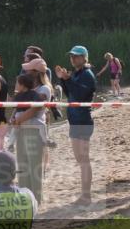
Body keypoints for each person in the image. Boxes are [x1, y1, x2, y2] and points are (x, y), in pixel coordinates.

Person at [53, 46, 98, 207]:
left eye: (76, 56)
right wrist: (63, 79)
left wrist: (68, 79)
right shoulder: (77, 73)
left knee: (84, 160)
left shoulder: (87, 74)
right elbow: (69, 94)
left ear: (84, 58)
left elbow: (80, 95)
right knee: (80, 159)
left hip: (83, 120)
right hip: (75, 119)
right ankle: (85, 194)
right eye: (71, 56)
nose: (73, 59)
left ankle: (86, 196)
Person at [7, 74, 47, 203]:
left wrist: (17, 119)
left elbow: (37, 107)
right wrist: (13, 119)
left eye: (17, 83)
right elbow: (14, 108)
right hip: (21, 130)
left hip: (32, 130)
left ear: (23, 84)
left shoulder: (35, 94)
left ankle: (37, 198)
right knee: (22, 164)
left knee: (34, 165)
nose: (16, 85)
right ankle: (25, 196)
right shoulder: (18, 96)